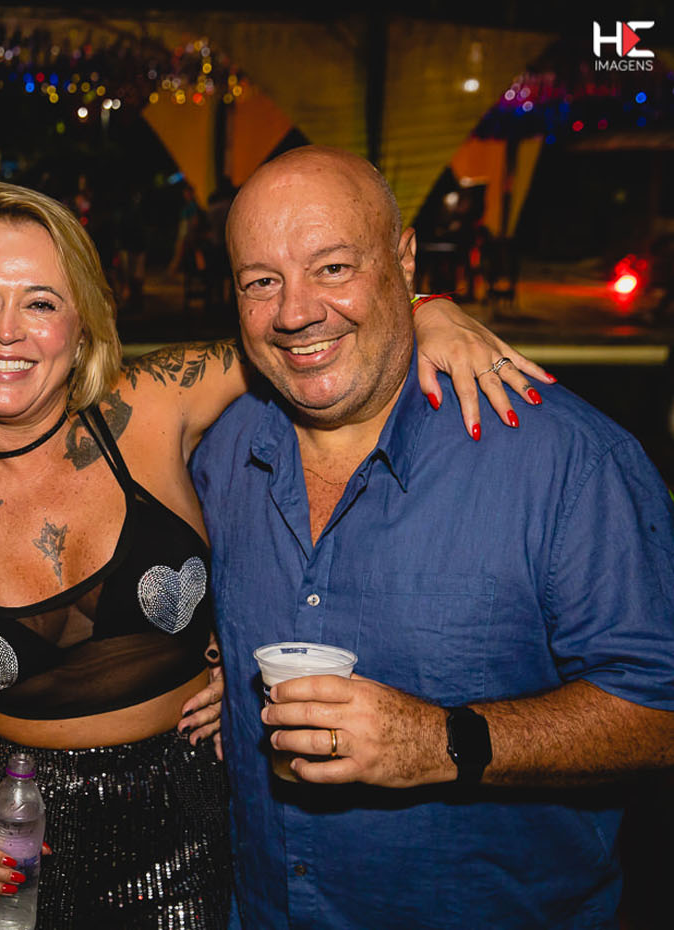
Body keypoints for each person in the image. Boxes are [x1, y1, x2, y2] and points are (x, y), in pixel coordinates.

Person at [0, 181, 544, 930]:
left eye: (42, 303)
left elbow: (299, 334)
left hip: (180, 826)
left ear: (81, 323)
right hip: (7, 834)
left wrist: (425, 308)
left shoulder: (154, 406)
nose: (7, 332)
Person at [190, 145, 674, 928]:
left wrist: (445, 742)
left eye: (333, 268)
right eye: (261, 282)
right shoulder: (221, 451)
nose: (295, 312)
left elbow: (659, 709)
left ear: (405, 259)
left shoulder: (564, 461)